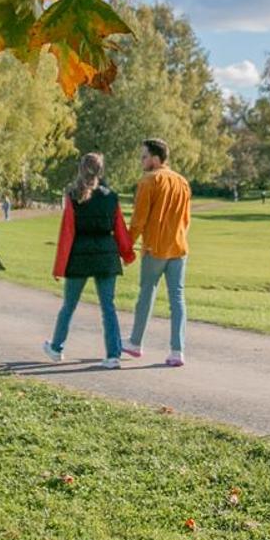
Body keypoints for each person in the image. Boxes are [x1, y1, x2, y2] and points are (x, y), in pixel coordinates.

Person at [44, 153, 135, 368]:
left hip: (80, 257)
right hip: (107, 257)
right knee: (108, 308)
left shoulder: (72, 196)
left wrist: (59, 267)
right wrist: (128, 254)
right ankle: (113, 355)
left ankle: (56, 348)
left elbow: (67, 234)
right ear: (100, 171)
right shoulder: (111, 196)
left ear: (80, 169)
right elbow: (120, 230)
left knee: (69, 306)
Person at [122, 138, 192, 367]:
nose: (141, 161)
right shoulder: (182, 182)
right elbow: (186, 220)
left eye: (143, 157)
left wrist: (126, 246)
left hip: (155, 249)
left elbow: (138, 221)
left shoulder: (149, 180)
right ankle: (177, 350)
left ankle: (135, 342)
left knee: (146, 294)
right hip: (179, 248)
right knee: (177, 299)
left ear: (155, 158)